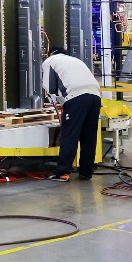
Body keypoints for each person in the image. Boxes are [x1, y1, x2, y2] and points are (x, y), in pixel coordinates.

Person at [41, 46, 102, 181]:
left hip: (76, 98)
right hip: (95, 97)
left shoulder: (50, 61)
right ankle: (86, 172)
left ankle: (62, 172)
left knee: (70, 135)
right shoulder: (76, 60)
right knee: (88, 136)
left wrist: (53, 101)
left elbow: (49, 87)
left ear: (51, 54)